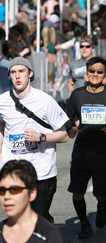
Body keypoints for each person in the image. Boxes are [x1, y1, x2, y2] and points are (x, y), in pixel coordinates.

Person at [0, 57, 71, 224]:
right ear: (9, 76)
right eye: (13, 72)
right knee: (19, 220)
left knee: (38, 221)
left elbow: (64, 135)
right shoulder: (2, 101)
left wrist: (41, 137)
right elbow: (1, 128)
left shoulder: (45, 101)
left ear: (30, 74)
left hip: (42, 173)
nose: (17, 76)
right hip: (13, 172)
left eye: (21, 72)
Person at [64, 56, 106, 238]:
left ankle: (102, 207)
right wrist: (70, 129)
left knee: (101, 193)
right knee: (77, 192)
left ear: (105, 75)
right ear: (86, 73)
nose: (95, 74)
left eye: (100, 72)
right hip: (82, 149)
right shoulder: (77, 94)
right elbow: (67, 117)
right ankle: (84, 224)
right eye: (92, 71)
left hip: (103, 150)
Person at [0, 160, 63, 242]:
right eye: (2, 190)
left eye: (15, 190)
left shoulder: (49, 235)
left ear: (32, 193)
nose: (6, 196)